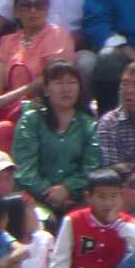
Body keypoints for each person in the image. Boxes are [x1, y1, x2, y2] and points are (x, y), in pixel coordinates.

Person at [0, 0, 73, 152]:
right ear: (16, 11)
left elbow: (50, 78)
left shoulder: (57, 35)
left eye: (39, 4)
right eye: (25, 5)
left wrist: (6, 99)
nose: (33, 11)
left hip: (42, 108)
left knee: (2, 131)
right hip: (9, 108)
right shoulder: (9, 41)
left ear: (48, 6)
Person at [12, 59, 101, 217]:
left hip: (77, 199)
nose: (66, 89)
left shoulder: (89, 125)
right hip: (34, 199)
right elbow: (25, 170)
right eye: (59, 83)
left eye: (72, 82)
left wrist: (67, 189)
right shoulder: (31, 120)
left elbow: (91, 168)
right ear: (46, 88)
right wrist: (50, 193)